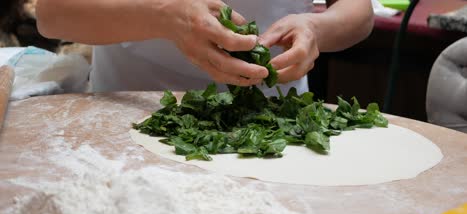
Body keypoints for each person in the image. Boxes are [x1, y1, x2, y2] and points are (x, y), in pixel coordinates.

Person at [35, 0, 373, 96]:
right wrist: (164, 16)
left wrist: (316, 26)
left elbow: (358, 11)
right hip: (132, 120)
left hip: (275, 128)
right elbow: (54, 13)